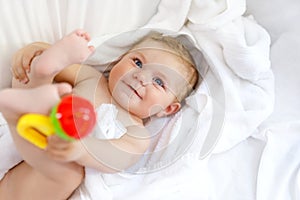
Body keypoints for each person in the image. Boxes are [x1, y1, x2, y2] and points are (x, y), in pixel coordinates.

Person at [2, 29, 199, 199]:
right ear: (118, 61)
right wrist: (34, 51)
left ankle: (27, 97)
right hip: (29, 132)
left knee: (70, 173)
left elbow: (116, 157)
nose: (141, 76)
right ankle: (40, 71)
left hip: (34, 176)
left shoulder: (137, 133)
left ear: (167, 109)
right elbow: (56, 62)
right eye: (137, 62)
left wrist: (82, 150)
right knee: (39, 88)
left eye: (158, 82)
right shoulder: (91, 79)